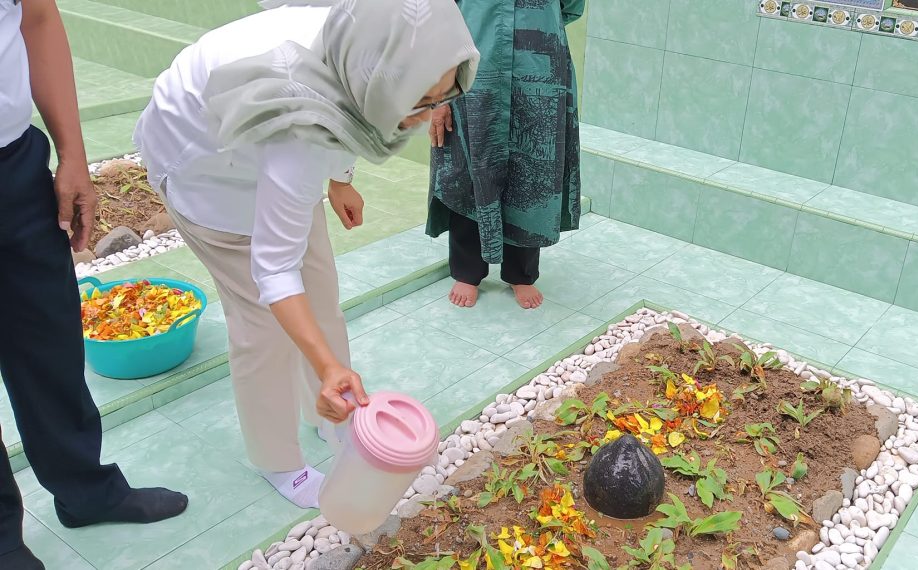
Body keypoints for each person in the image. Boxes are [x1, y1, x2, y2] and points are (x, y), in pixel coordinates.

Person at [133, 0, 479, 509]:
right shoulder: (296, 134)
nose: (425, 116)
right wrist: (326, 363)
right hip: (206, 166)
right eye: (419, 101)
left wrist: (341, 179)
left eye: (441, 96)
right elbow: (273, 268)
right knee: (263, 327)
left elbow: (353, 112)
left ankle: (330, 413)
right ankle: (279, 461)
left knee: (319, 293)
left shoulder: (363, 43)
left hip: (274, 148)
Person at [0, 1, 189, 568]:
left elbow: (36, 17)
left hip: (13, 164)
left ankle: (85, 490)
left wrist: (72, 154)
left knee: (49, 339)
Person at [427, 0, 584, 310]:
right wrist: (438, 97)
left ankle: (521, 272)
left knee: (533, 170)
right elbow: (438, 17)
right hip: (472, 71)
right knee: (467, 166)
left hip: (537, 67)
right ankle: (467, 269)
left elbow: (571, 7)